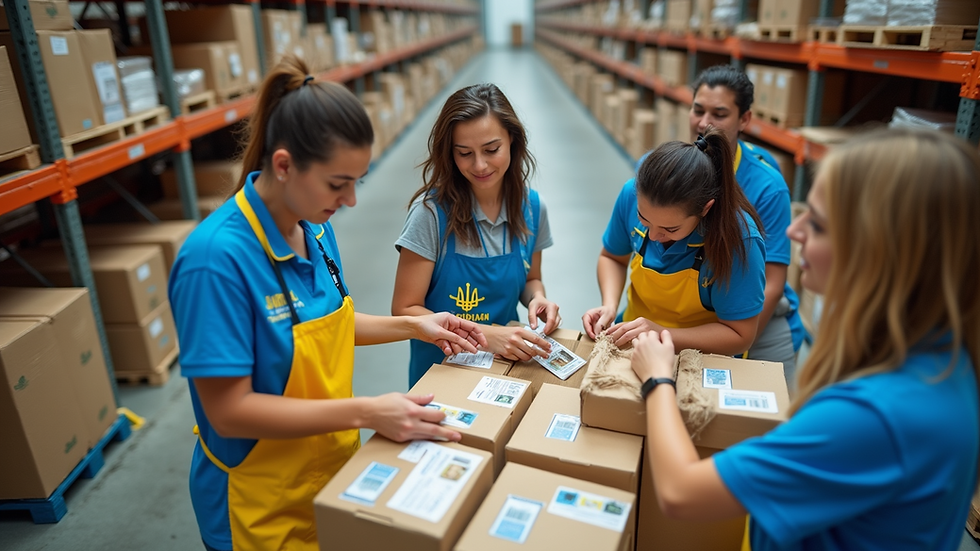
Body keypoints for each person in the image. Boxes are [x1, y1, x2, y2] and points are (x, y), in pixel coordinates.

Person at [168, 56, 488, 551]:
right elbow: (228, 411)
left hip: (329, 473)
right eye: (339, 184)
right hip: (258, 500)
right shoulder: (215, 261)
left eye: (357, 181)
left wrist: (415, 327)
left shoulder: (313, 229)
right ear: (283, 165)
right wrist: (366, 412)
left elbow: (329, 323)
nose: (352, 200)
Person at [630, 128, 979, 550]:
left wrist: (657, 379)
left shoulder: (876, 418)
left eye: (816, 222)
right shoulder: (940, 361)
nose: (793, 232)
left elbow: (681, 491)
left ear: (881, 249)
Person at [393, 83, 560, 387]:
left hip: (502, 375)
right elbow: (405, 309)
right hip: (439, 374)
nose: (480, 165)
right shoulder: (430, 214)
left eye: (491, 150)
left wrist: (538, 299)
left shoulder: (533, 209)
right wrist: (488, 337)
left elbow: (531, 278)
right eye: (465, 153)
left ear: (512, 139)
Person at [582, 128, 767, 357]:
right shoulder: (631, 195)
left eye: (670, 229)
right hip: (635, 341)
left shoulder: (740, 240)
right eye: (644, 220)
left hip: (702, 356)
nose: (652, 237)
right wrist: (609, 304)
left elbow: (740, 335)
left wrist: (661, 334)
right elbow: (612, 258)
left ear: (705, 209)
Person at [688, 64, 804, 382]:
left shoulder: (766, 186)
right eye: (698, 109)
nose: (704, 122)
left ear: (745, 120)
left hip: (752, 315)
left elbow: (773, 283)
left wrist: (735, 342)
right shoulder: (672, 171)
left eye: (719, 113)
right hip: (696, 308)